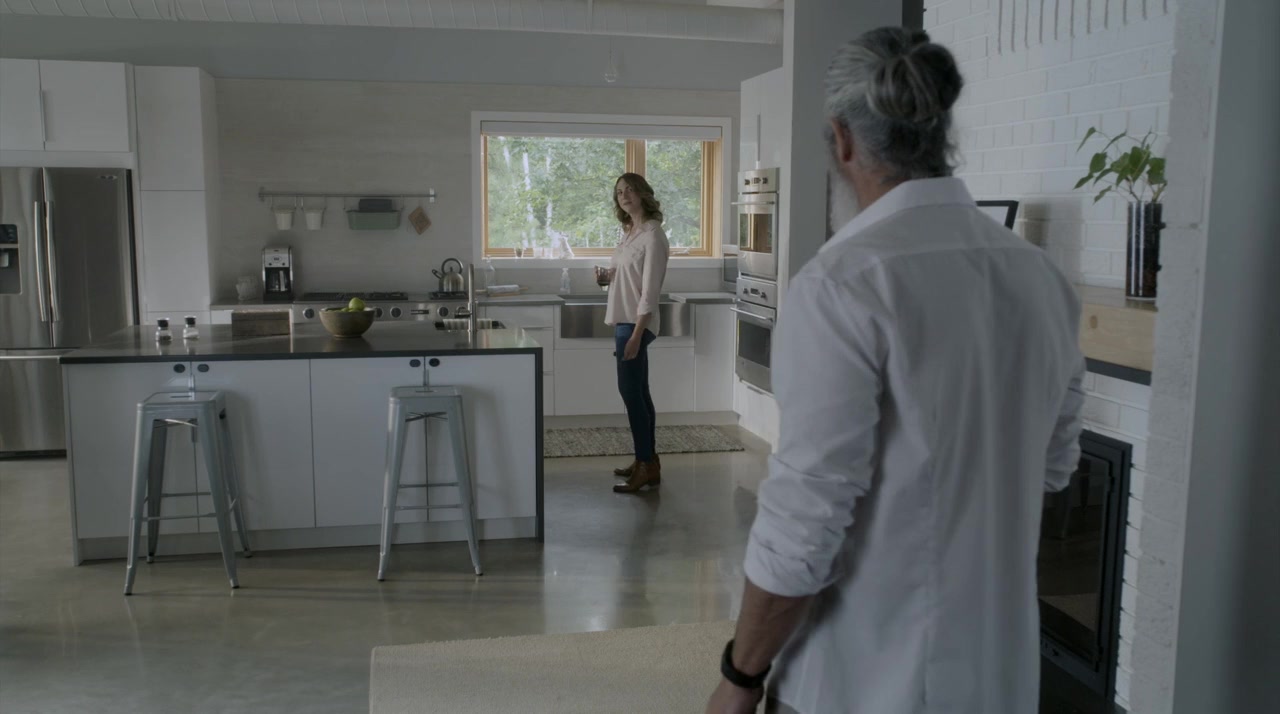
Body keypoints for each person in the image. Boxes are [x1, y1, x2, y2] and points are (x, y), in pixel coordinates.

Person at [706, 27, 1085, 714]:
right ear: (941, 132)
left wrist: (741, 674)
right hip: (996, 675)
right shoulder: (1041, 278)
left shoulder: (842, 284)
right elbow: (1053, 469)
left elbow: (804, 522)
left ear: (842, 140)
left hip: (859, 681)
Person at [597, 173, 670, 494]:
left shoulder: (653, 235)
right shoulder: (630, 232)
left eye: (629, 190)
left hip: (635, 323)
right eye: (619, 192)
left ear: (642, 193)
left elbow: (650, 292)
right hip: (625, 320)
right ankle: (648, 462)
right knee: (640, 393)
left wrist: (637, 335)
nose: (624, 195)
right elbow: (627, 276)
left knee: (630, 394)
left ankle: (644, 464)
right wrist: (607, 277)